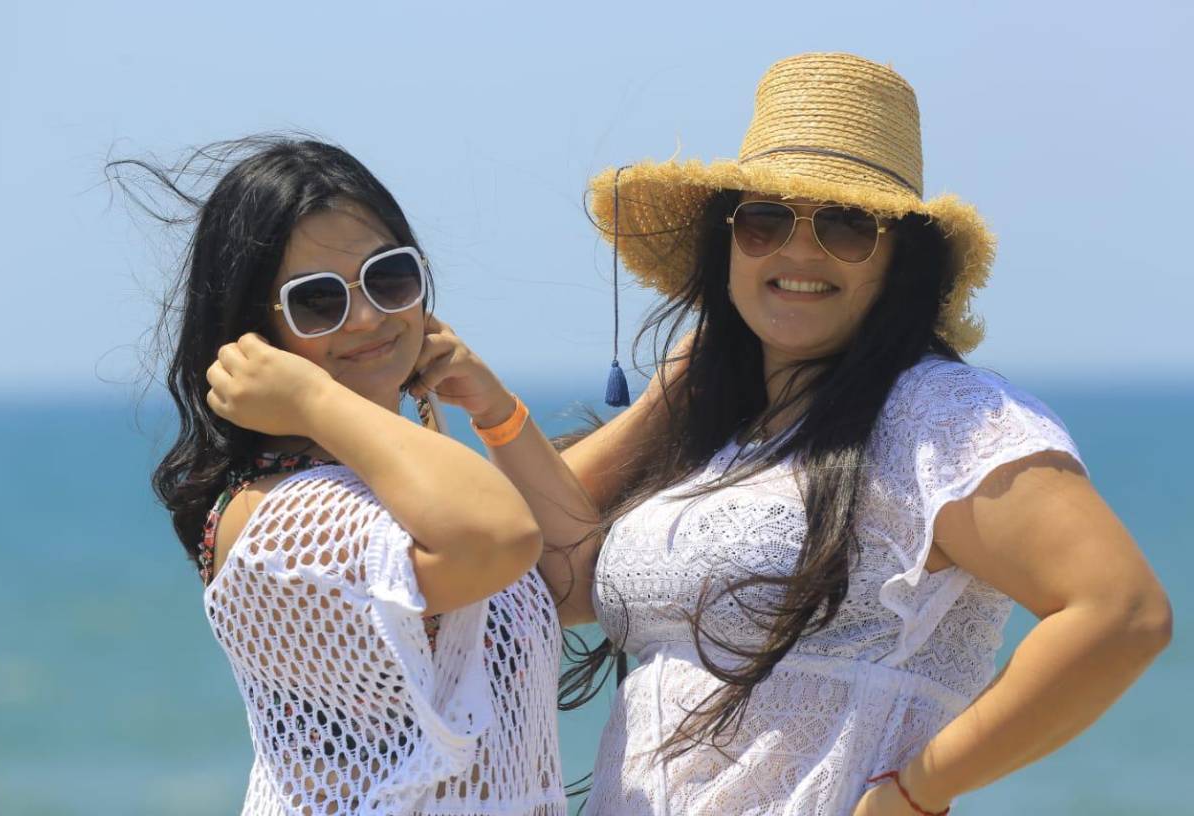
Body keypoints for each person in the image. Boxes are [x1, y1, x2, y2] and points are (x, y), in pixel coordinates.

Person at [444, 53, 1172, 814]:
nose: (798, 251)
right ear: (725, 242)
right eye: (764, 221)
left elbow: (1120, 614)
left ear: (901, 259)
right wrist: (522, 409)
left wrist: (917, 792)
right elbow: (534, 576)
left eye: (846, 225)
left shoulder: (940, 414)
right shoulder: (731, 432)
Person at [119, 138, 567, 815]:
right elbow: (500, 538)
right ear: (255, 335)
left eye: (389, 279)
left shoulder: (389, 484)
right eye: (317, 301)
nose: (367, 318)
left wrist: (493, 407)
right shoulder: (279, 520)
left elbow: (570, 567)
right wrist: (315, 400)